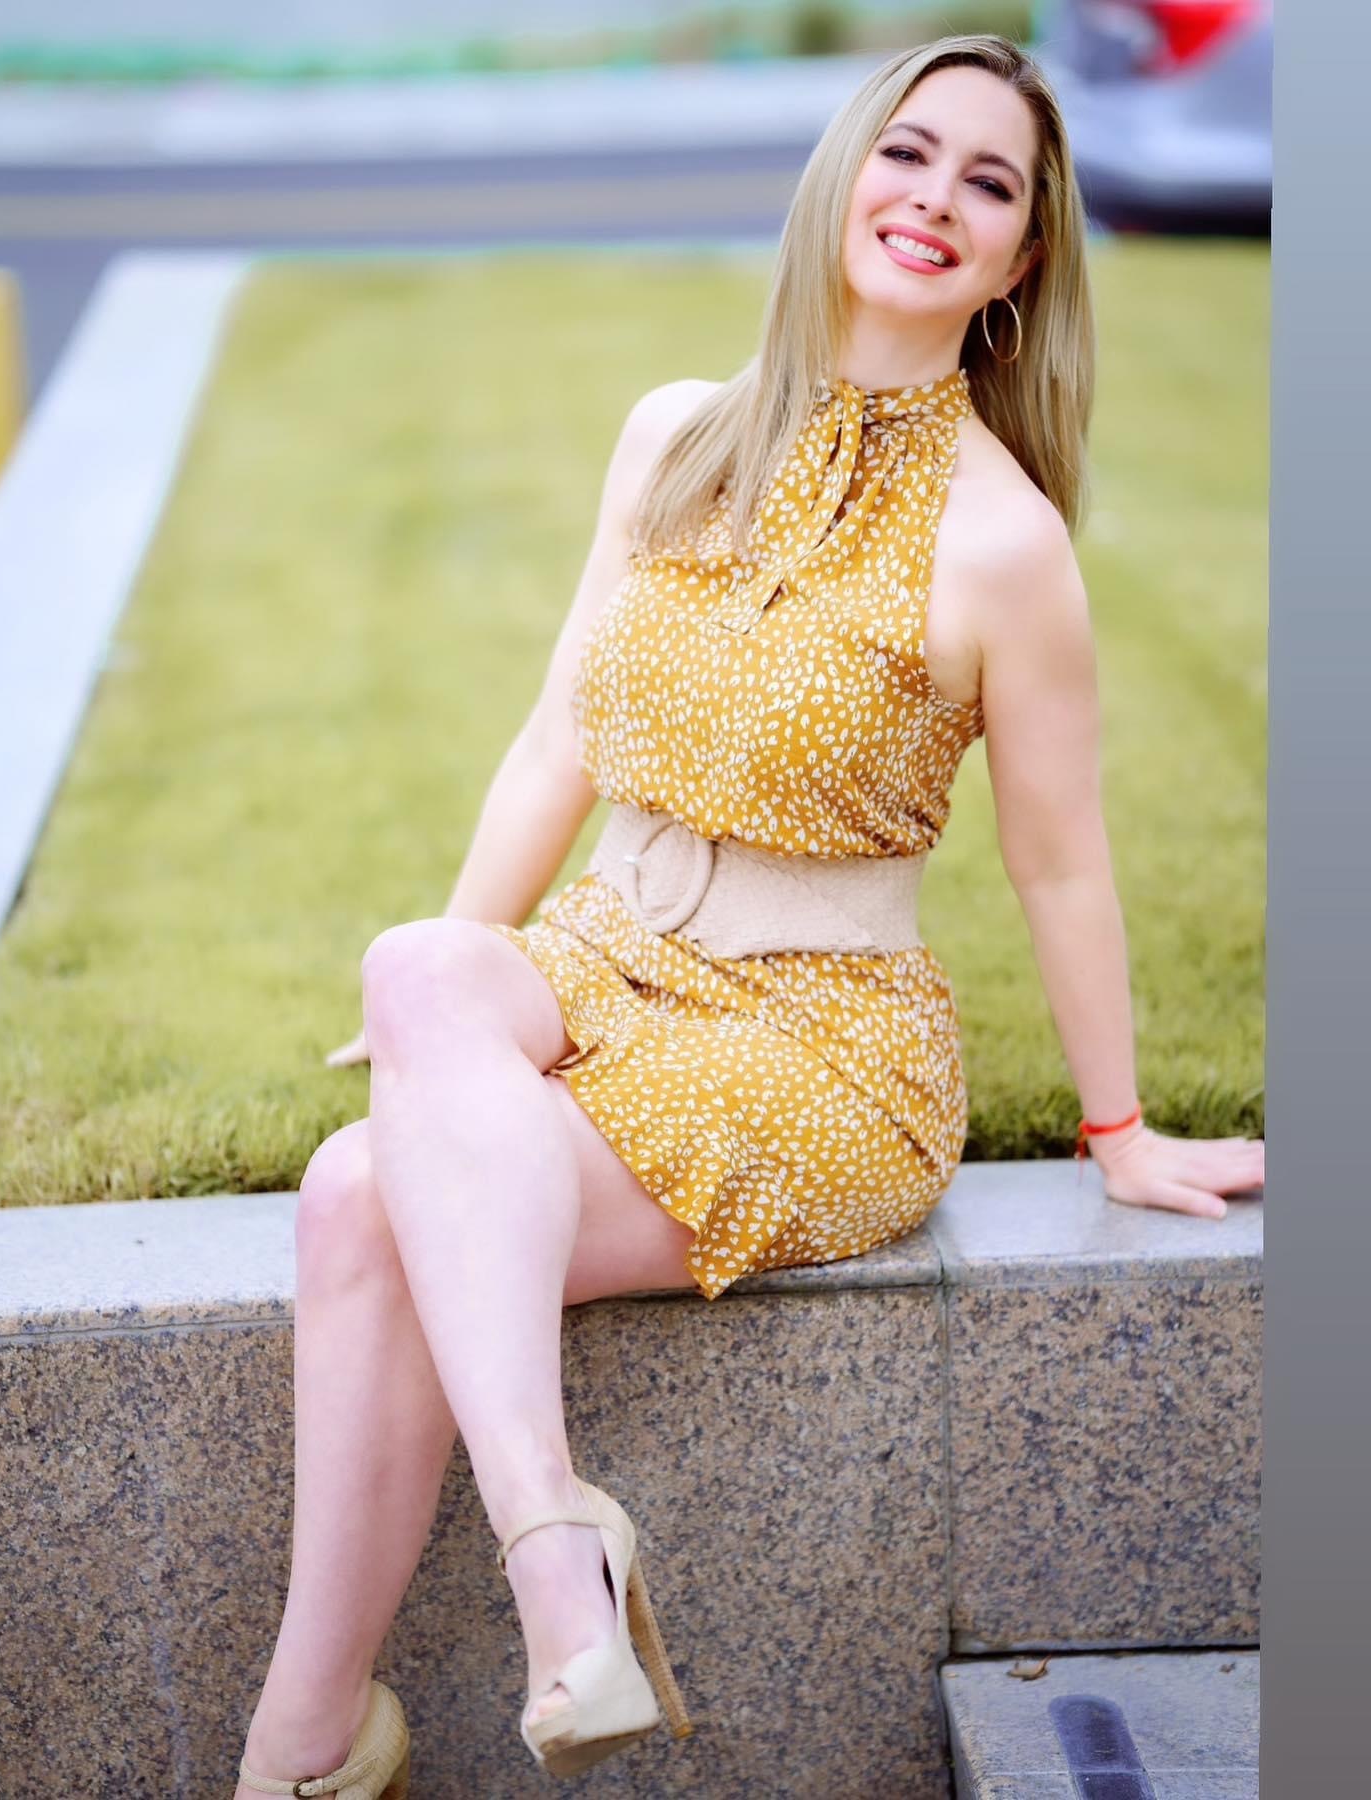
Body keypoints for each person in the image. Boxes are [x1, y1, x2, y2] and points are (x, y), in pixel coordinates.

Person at [233, 31, 1266, 1798]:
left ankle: (323, 1735)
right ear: (843, 175)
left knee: (356, 1199)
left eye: (989, 184)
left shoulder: (1005, 544)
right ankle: (537, 1570)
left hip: (822, 1041)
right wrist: (425, 1020)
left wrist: (1119, 1128)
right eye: (909, 153)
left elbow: (1062, 860)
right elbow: (558, 737)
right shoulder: (676, 436)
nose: (934, 199)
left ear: (1020, 263)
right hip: (605, 959)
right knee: (417, 970)